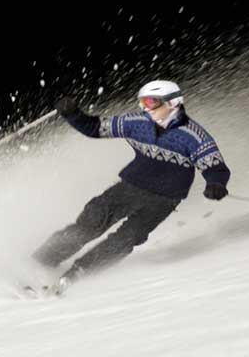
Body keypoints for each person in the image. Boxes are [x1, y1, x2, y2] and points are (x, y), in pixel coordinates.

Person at [32, 80, 231, 293]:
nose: (145, 107)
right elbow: (95, 127)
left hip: (163, 200)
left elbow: (215, 167)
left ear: (173, 102)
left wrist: (216, 184)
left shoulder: (194, 135)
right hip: (130, 187)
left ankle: (80, 272)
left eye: (151, 102)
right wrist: (73, 114)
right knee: (92, 221)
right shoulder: (136, 122)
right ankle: (41, 261)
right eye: (142, 102)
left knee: (127, 238)